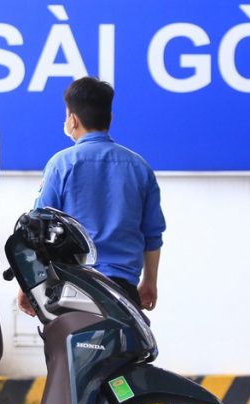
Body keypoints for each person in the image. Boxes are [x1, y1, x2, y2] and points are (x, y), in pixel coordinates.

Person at [19, 76, 165, 314]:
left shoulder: (61, 164)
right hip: (123, 290)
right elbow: (152, 234)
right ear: (110, 118)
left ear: (73, 120)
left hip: (74, 288)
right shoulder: (139, 167)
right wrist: (150, 282)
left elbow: (38, 230)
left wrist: (29, 284)